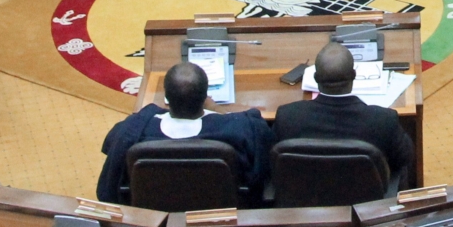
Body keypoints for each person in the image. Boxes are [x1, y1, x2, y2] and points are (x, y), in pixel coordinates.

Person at [98, 60, 275, 202]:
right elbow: (265, 146)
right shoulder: (240, 128)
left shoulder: (133, 131)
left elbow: (108, 183)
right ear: (206, 96)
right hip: (220, 213)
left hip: (154, 214)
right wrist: (217, 109)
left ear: (166, 96)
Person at [274, 43, 415, 188]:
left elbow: (273, 161)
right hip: (366, 203)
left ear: (316, 78)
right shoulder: (383, 119)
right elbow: (405, 157)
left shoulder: (287, 117)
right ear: (354, 75)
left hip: (304, 202)